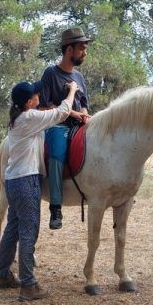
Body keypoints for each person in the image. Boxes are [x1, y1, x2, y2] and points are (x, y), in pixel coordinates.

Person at [0, 80, 78, 301]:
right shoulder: (29, 118)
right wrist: (72, 91)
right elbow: (61, 112)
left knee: (12, 229)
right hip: (26, 181)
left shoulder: (19, 118)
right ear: (29, 102)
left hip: (13, 180)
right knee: (28, 232)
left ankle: (3, 275)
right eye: (36, 95)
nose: (39, 95)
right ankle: (28, 285)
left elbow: (48, 115)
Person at [39, 27, 92, 230]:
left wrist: (85, 116)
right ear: (69, 50)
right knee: (57, 154)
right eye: (81, 48)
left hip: (81, 124)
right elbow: (45, 105)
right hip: (57, 125)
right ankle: (55, 207)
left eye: (85, 48)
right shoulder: (51, 73)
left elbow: (84, 103)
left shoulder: (79, 77)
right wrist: (71, 114)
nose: (84, 52)